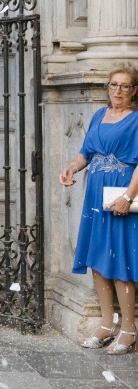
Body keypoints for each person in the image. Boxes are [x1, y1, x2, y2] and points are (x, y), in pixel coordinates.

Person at [61, 64, 138, 354]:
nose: (118, 91)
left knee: (120, 261)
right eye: (114, 85)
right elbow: (86, 154)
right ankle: (107, 325)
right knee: (97, 257)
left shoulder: (136, 119)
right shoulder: (98, 115)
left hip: (121, 194)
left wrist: (129, 197)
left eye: (125, 86)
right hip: (96, 195)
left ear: (134, 91)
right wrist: (71, 167)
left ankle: (129, 329)